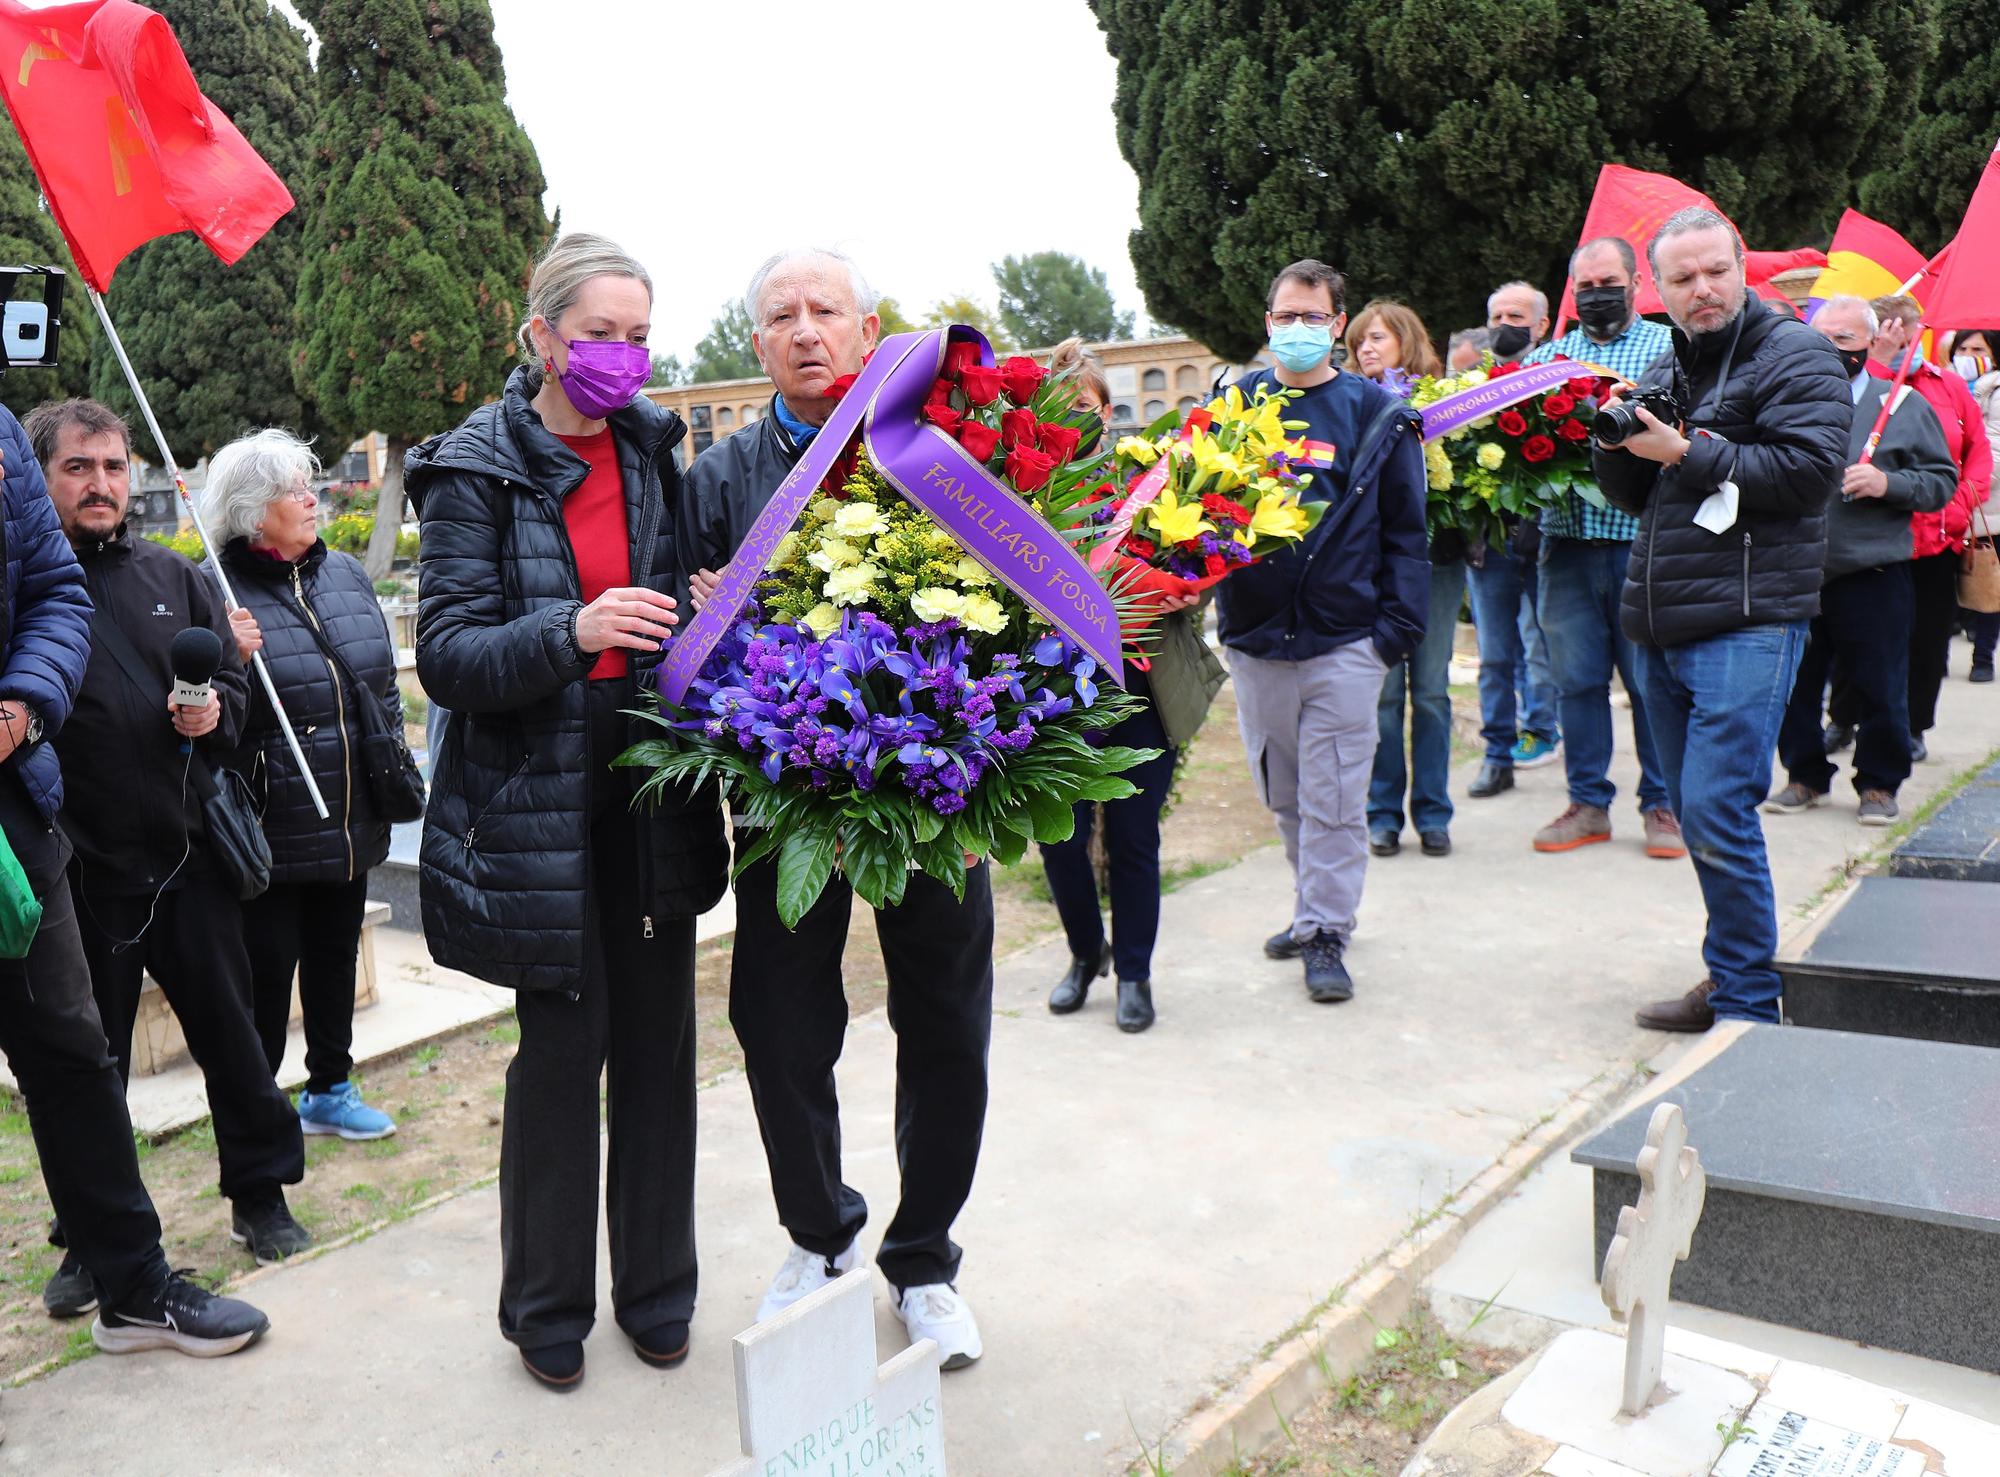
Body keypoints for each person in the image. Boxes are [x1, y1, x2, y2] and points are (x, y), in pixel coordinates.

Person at [408, 232, 725, 1391]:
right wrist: (571, 631)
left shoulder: (652, 450)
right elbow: (445, 654)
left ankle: (656, 1291)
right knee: (560, 1057)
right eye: (601, 336)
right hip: (536, 798)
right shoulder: (471, 468)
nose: (623, 360)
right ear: (540, 336)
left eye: (640, 337)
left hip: (645, 784)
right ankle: (546, 1307)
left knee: (659, 1048)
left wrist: (699, 605)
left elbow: (677, 591)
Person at [679, 247, 991, 1370]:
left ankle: (924, 1262)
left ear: (868, 332)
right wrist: (700, 614)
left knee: (946, 1021)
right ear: (754, 344)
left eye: (826, 311)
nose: (806, 329)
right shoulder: (716, 480)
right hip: (789, 795)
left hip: (932, 789)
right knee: (777, 1019)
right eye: (780, 315)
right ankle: (820, 1238)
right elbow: (682, 638)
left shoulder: (935, 450)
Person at [26, 400, 309, 1309]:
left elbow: (235, 684)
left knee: (234, 1039)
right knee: (82, 1070)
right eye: (79, 467)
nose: (102, 483)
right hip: (75, 878)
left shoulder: (177, 577)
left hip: (188, 863)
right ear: (40, 478)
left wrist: (217, 710)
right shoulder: (21, 592)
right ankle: (91, 1240)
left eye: (113, 465)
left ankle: (259, 1197)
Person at [1592, 207, 1850, 1033]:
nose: (1701, 289)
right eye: (1681, 278)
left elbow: (1810, 473)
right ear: (1655, 290)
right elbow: (1639, 496)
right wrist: (1615, 441)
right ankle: (1731, 968)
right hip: (1663, 618)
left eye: (1715, 271)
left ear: (1743, 267)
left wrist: (1683, 450)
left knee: (1712, 809)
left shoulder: (1795, 352)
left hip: (1751, 616)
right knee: (1702, 812)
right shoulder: (1673, 359)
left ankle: (1746, 1007)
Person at [1215, 260, 1428, 1002]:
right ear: (1267, 320)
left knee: (1336, 795)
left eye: (1311, 317)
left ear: (1338, 324)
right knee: (1285, 790)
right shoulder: (1233, 406)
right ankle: (1314, 907)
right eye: (1284, 317)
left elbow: (1406, 530)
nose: (1296, 330)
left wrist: (1394, 631)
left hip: (1346, 641)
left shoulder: (1377, 413)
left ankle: (1328, 929)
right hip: (1256, 639)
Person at [209, 431, 400, 1141]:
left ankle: (330, 1087)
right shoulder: (214, 592)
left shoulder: (343, 574)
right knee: (264, 981)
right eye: (293, 490)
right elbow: (205, 720)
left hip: (347, 814)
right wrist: (226, 657)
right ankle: (259, 1116)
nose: (310, 497)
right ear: (255, 513)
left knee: (333, 958)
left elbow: (374, 682)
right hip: (273, 825)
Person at [1038, 338, 1200, 1033]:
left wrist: (1184, 590)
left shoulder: (1148, 488)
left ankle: (1135, 970)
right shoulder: (1020, 497)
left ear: (1109, 413)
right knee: (1060, 837)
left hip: (1139, 693)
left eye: (1088, 408)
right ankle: (1085, 952)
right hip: (1052, 700)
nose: (1077, 421)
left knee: (1134, 839)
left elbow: (1194, 562)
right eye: (1061, 412)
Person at [1764, 296, 1955, 825]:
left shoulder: (1901, 406)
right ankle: (1803, 774)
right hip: (1793, 568)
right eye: (1820, 338)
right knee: (1793, 686)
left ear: (1871, 344)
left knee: (1880, 684)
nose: (1829, 350)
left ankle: (1879, 782)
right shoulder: (1782, 403)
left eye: (1843, 340)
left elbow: (1942, 481)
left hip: (1870, 571)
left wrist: (1887, 482)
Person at [1522, 239, 1682, 860]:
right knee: (1576, 681)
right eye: (1584, 285)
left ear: (1636, 282)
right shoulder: (1549, 357)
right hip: (1565, 546)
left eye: (1607, 281)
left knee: (1650, 681)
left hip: (1643, 544)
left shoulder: (1667, 349)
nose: (1596, 294)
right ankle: (1588, 802)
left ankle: (1663, 804)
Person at [1823, 296, 1992, 759]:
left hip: (1936, 538)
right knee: (1859, 642)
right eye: (1890, 331)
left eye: (1911, 329)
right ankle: (1842, 720)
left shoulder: (1950, 387)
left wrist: (1955, 510)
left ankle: (1914, 725)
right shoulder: (1867, 383)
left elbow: (1975, 456)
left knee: (1927, 640)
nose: (1901, 340)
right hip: (1874, 540)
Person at [1345, 300, 1466, 858]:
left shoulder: (1450, 405)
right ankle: (1383, 814)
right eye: (1358, 342)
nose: (1365, 349)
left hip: (1437, 563)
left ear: (1406, 342)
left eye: (1376, 338)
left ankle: (1435, 813)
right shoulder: (1347, 407)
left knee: (1434, 693)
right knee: (1385, 694)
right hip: (1371, 571)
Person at [1466, 280, 1561, 802]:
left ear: (1541, 325)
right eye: (1497, 315)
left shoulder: (1558, 381)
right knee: (1496, 657)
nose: (1506, 325)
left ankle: (1545, 731)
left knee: (1548, 647)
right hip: (1491, 546)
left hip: (1549, 541)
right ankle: (1497, 754)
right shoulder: (1469, 386)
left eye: (1517, 315)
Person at [1957, 328, 2000, 681]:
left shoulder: (1994, 391)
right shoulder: (1950, 385)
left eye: (1978, 348)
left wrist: (1971, 481)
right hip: (1956, 501)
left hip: (1987, 504)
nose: (1969, 355)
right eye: (1963, 348)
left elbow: (1996, 452)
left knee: (1988, 582)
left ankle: (1983, 656)